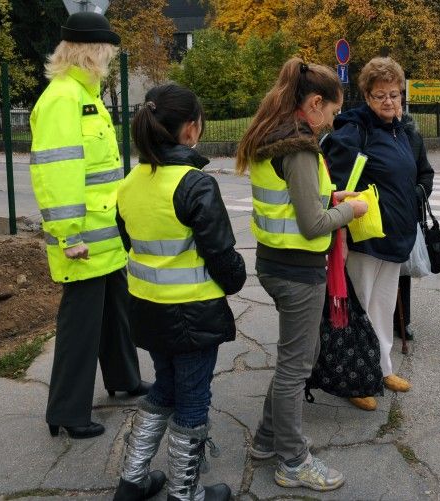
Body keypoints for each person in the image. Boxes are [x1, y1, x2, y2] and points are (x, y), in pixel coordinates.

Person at [236, 58, 367, 492]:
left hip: (276, 264)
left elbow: (296, 201)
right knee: (297, 367)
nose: (332, 121)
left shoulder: (273, 136)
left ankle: (266, 438)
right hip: (298, 271)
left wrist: (331, 194)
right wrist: (351, 209)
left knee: (293, 361)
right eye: (331, 112)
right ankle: (293, 461)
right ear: (314, 103)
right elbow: (312, 224)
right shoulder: (298, 146)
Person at [114, 83, 246, 501]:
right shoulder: (194, 185)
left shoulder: (130, 182)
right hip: (192, 316)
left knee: (164, 389)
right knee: (192, 401)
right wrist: (236, 279)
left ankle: (132, 481)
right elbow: (221, 254)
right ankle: (184, 494)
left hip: (147, 311)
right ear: (190, 129)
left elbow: (129, 242)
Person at [29, 11, 149, 441]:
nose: (109, 60)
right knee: (80, 324)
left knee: (116, 311)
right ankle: (66, 411)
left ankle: (125, 380)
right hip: (82, 239)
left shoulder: (85, 95)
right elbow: (57, 174)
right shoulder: (62, 100)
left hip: (105, 233)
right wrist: (69, 236)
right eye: (106, 53)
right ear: (91, 53)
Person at [321, 57, 418, 411]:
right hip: (365, 235)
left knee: (381, 306)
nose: (389, 101)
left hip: (394, 236)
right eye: (380, 96)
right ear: (366, 94)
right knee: (356, 308)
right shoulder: (354, 128)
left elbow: (417, 171)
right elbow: (339, 178)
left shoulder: (402, 129)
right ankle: (351, 379)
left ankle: (381, 369)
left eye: (394, 94)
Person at [393, 103, 435, 341]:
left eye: (396, 99)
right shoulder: (372, 134)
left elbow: (426, 173)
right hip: (381, 213)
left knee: (403, 271)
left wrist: (419, 192)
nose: (392, 106)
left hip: (408, 214)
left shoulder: (413, 136)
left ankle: (403, 320)